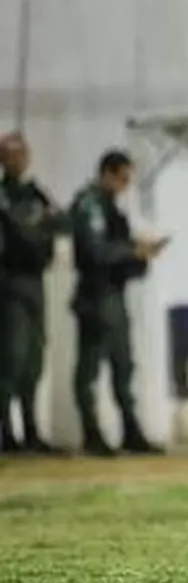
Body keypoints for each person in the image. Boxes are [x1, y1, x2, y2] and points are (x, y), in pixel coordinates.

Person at [70, 149, 168, 456]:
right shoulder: (90, 205)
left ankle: (130, 430)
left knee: (123, 366)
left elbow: (117, 253)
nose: (125, 186)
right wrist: (131, 251)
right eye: (122, 179)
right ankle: (92, 434)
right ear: (107, 174)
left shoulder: (112, 209)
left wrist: (141, 255)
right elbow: (95, 251)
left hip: (114, 296)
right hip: (95, 297)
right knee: (89, 370)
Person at [0, 132, 66, 454]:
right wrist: (38, 229)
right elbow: (20, 231)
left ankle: (31, 430)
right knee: (10, 358)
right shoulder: (4, 194)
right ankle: (6, 433)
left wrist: (39, 230)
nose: (19, 160)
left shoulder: (35, 193)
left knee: (33, 360)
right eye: (12, 154)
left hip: (35, 282)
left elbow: (60, 222)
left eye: (22, 154)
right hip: (9, 283)